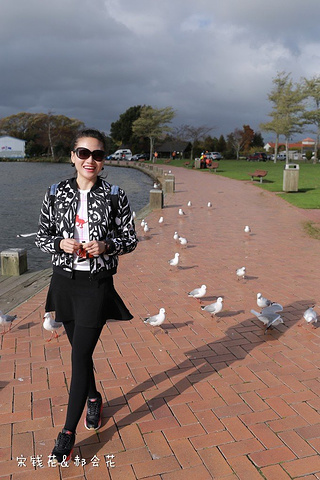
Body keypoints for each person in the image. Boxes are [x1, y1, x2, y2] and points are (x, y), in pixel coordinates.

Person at [35, 128, 137, 465]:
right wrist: (59, 243)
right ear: (72, 156)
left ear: (104, 160)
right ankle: (93, 397)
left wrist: (107, 245)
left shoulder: (115, 195)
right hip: (63, 282)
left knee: (79, 357)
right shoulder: (55, 192)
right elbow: (41, 236)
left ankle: (67, 433)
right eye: (83, 153)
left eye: (97, 154)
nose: (90, 160)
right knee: (80, 351)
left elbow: (131, 239)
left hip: (96, 284)